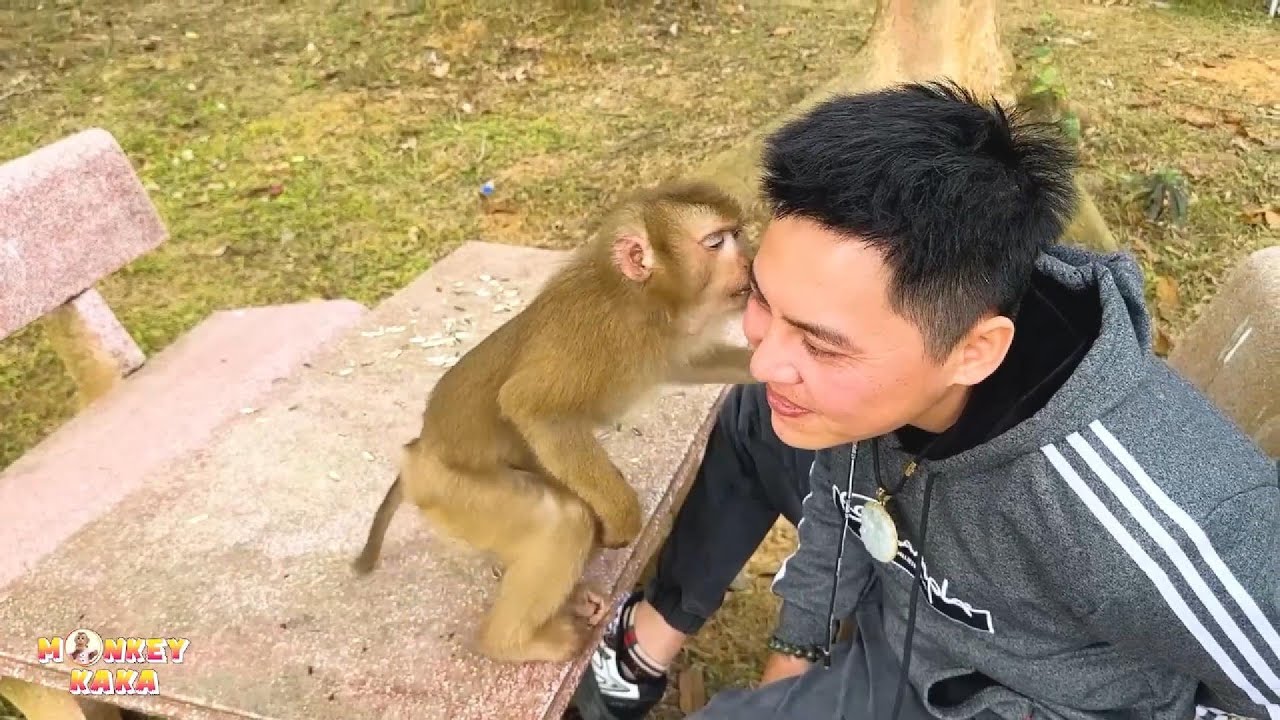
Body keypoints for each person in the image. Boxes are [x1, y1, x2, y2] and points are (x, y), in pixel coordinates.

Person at [569, 80, 1279, 720]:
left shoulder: (1153, 529)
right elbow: (844, 492)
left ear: (975, 350)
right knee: (761, 413)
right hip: (907, 625)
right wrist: (796, 652)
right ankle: (649, 644)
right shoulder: (884, 369)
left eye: (820, 343)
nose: (765, 356)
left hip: (1010, 695)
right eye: (761, 298)